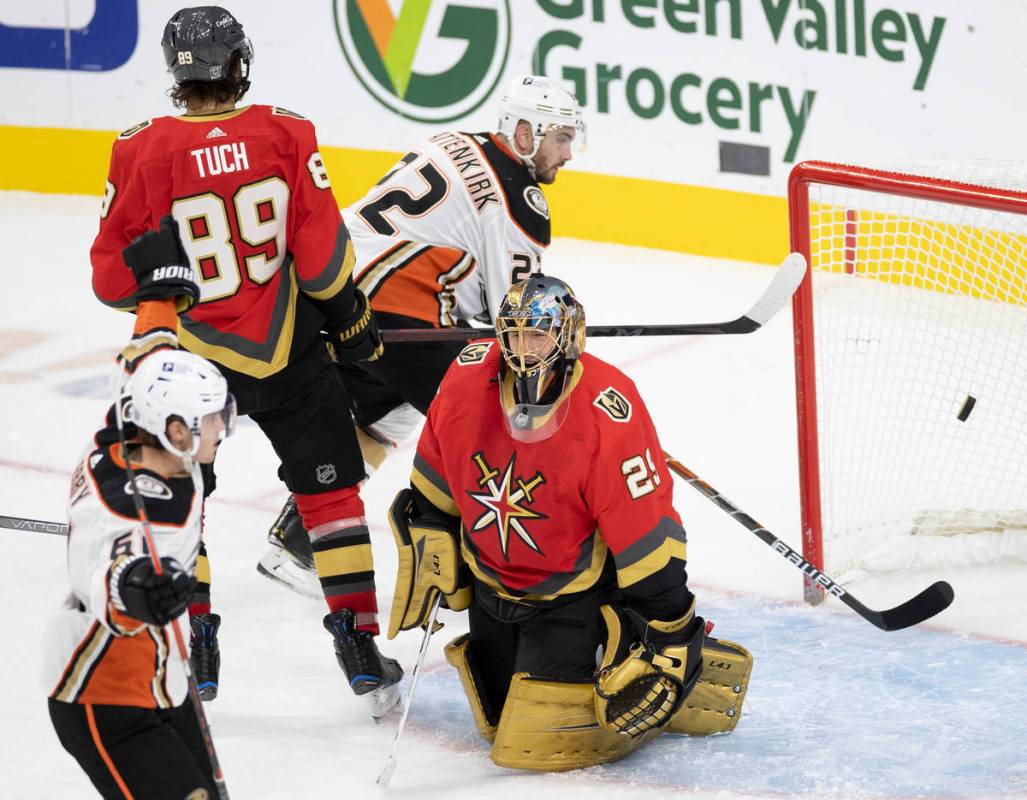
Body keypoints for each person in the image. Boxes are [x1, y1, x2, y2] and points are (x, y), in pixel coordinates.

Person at [88, 6, 400, 715]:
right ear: (240, 63)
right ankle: (356, 640)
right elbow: (320, 263)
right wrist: (348, 316)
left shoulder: (141, 150)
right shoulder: (287, 132)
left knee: (180, 492)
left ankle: (195, 640)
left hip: (190, 364)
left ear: (176, 72)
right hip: (286, 347)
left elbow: (111, 280)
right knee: (330, 495)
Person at [384, 275, 754, 770]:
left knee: (536, 741)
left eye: (536, 334)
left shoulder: (607, 411)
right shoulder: (466, 380)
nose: (523, 349)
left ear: (568, 335)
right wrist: (430, 538)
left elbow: (645, 532)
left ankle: (629, 635)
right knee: (494, 721)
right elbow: (434, 476)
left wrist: (671, 630)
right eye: (513, 335)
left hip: (572, 597)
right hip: (491, 585)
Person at [257, 74, 587, 597]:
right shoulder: (520, 199)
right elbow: (514, 315)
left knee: (388, 413)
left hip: (330, 283)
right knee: (502, 415)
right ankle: (516, 566)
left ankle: (298, 545)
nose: (569, 154)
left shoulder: (454, 141)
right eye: (562, 138)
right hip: (393, 307)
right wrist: (559, 338)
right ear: (525, 134)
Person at [43, 350, 233, 799]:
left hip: (159, 679)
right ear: (176, 429)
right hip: (102, 692)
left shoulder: (120, 438)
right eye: (210, 418)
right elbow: (110, 575)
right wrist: (138, 588)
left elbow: (132, 381)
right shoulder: (134, 512)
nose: (221, 428)